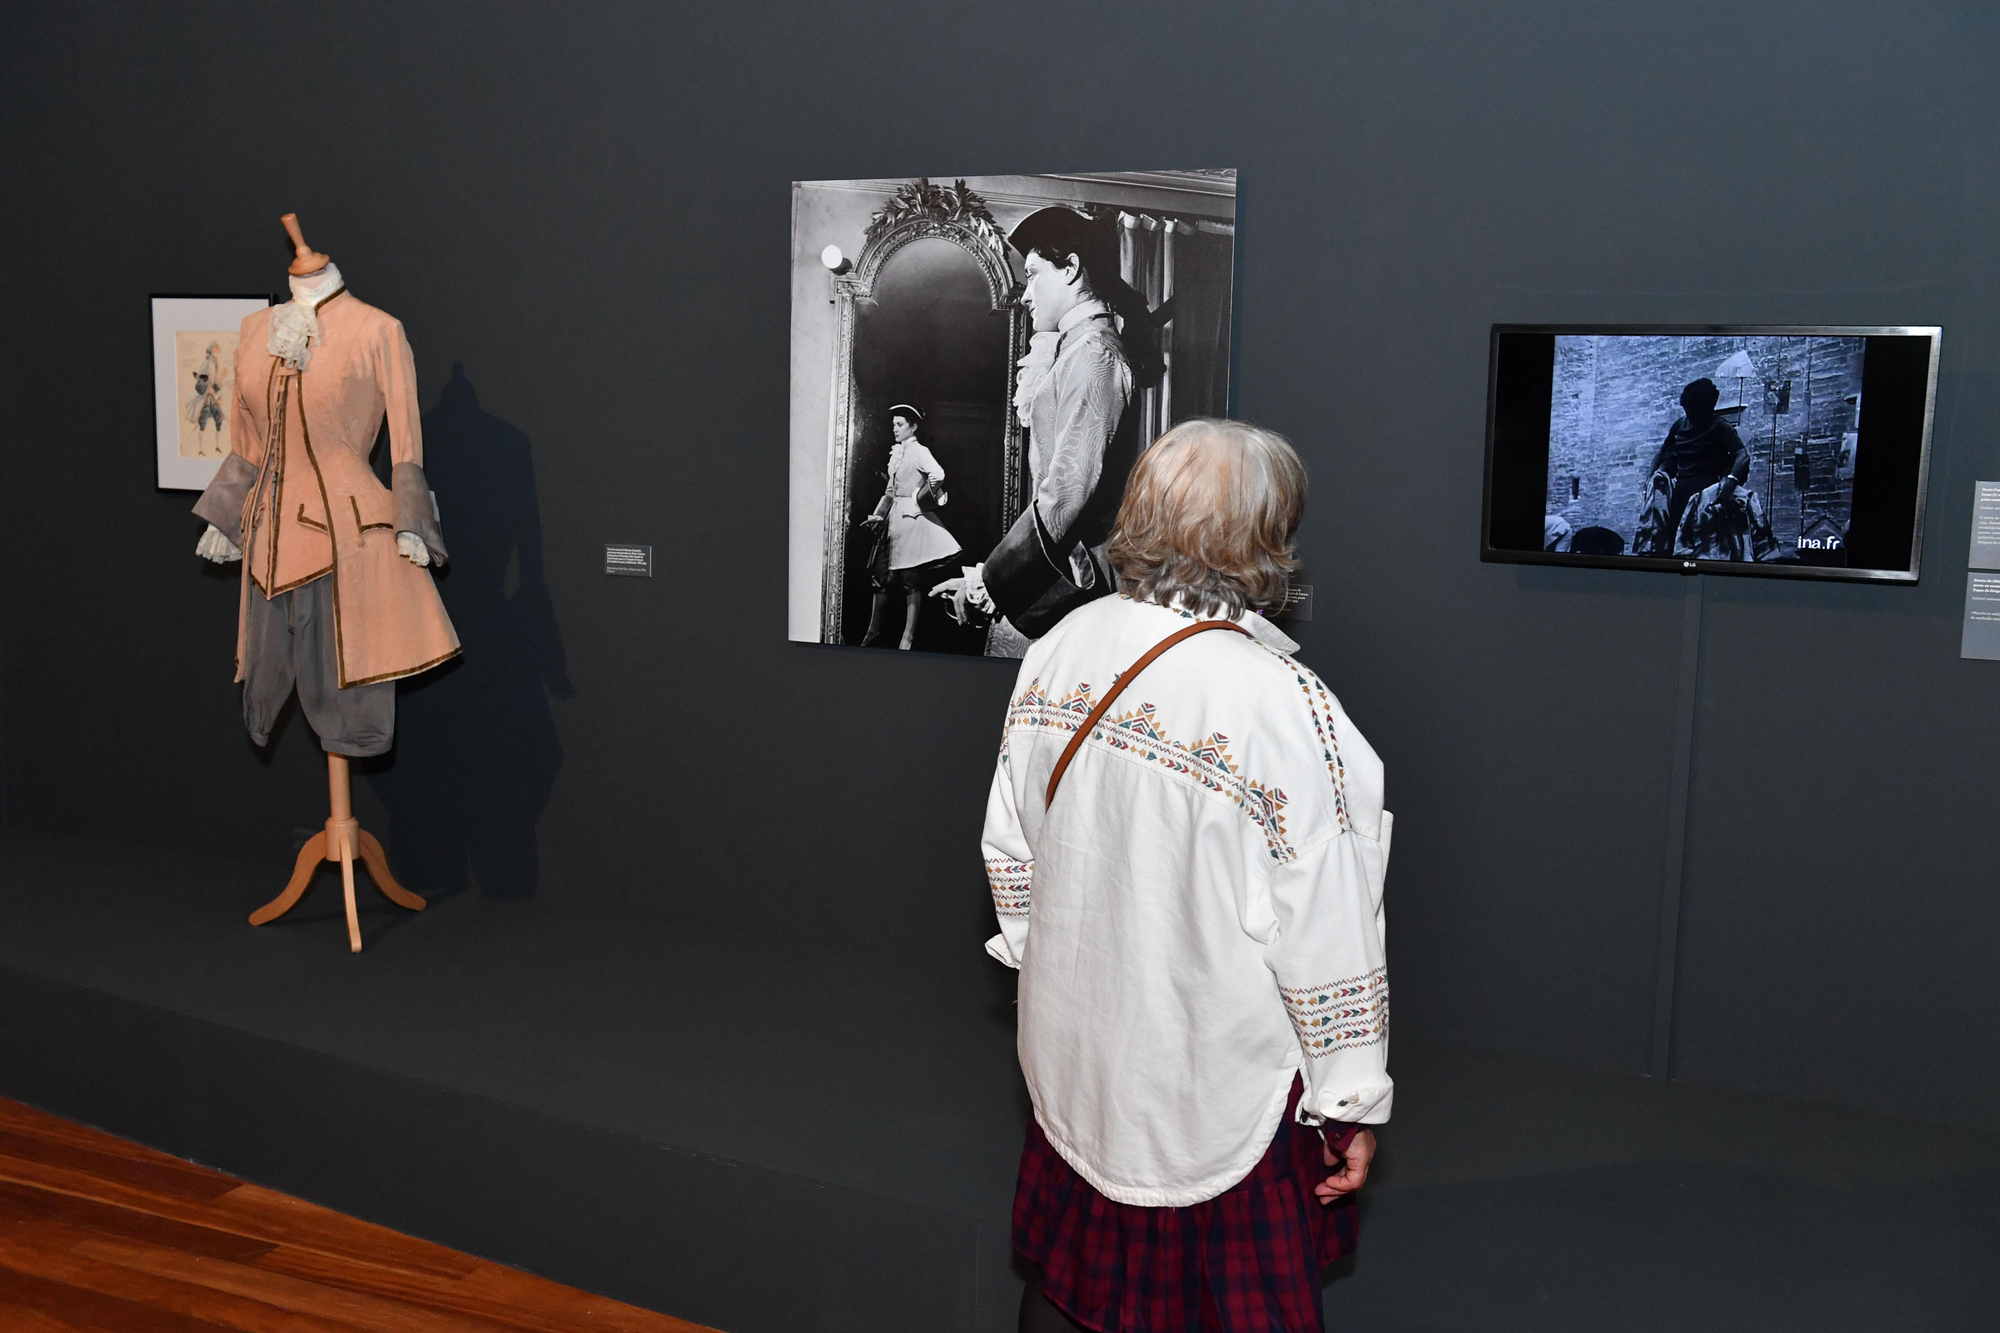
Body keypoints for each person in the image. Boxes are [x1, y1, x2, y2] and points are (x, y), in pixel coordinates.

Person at [982, 418, 1393, 1333]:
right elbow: (1328, 933)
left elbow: (1010, 849)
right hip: (1209, 1078)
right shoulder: (1287, 708)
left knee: (1069, 1274)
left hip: (1078, 1042)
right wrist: (1349, 1097)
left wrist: (1043, 956)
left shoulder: (1061, 647)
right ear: (1269, 536)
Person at [932, 207, 1140, 652]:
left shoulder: (1094, 355)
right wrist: (989, 575)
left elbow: (1065, 492)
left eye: (1033, 274)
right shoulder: (1076, 349)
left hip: (1076, 579)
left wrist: (991, 583)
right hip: (1057, 566)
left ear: (1070, 269)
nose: (1026, 294)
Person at [858, 404, 961, 649]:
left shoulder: (918, 451)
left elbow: (938, 474)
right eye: (893, 424)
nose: (894, 428)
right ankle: (872, 632)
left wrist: (919, 498)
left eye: (900, 424)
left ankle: (908, 636)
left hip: (910, 521)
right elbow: (890, 492)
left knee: (909, 579)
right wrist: (877, 515)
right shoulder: (898, 453)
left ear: (913, 426)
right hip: (891, 522)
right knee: (880, 574)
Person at [1636, 377, 1751, 554]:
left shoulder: (1719, 427)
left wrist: (1730, 482)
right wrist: (1650, 481)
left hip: (1707, 492)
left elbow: (1742, 455)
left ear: (1706, 408)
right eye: (1686, 410)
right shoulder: (1680, 425)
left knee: (1701, 544)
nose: (1689, 415)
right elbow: (1663, 452)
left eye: (1693, 410)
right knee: (1675, 540)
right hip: (1681, 492)